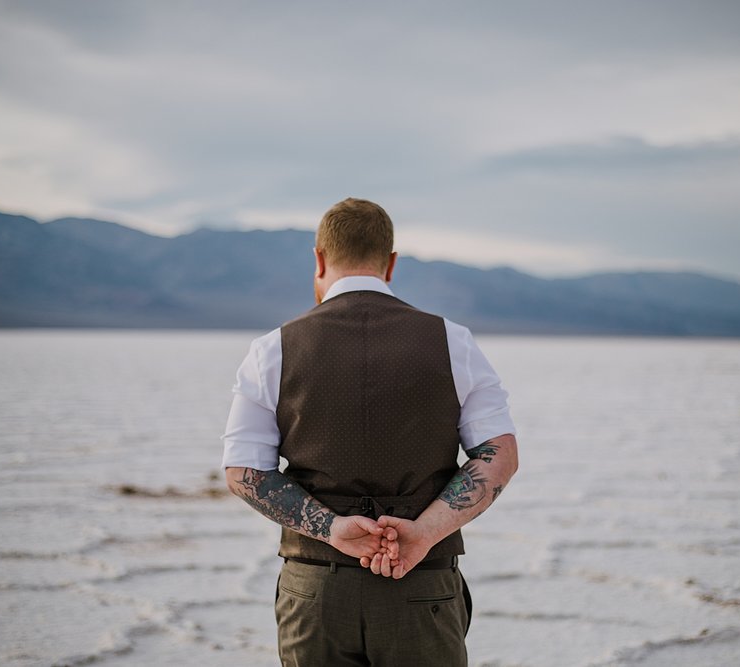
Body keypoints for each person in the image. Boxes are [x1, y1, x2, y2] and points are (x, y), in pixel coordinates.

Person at [222, 197, 518, 666]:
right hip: (422, 587)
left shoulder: (271, 350)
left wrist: (334, 529)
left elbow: (244, 472)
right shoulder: (452, 341)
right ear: (391, 263)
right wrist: (422, 534)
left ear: (319, 259)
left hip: (315, 591)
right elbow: (498, 455)